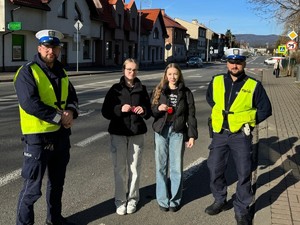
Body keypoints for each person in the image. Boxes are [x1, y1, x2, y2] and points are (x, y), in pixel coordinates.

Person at [14, 29, 79, 225]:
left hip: (60, 137)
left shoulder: (62, 71)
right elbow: (30, 103)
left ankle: (55, 219)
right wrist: (60, 118)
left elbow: (73, 98)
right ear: (39, 48)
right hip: (37, 139)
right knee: (32, 189)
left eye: (55, 47)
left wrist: (71, 112)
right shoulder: (27, 71)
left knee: (57, 184)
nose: (51, 51)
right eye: (47, 47)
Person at [205, 50, 272, 225]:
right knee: (214, 168)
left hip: (241, 136)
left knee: (243, 172)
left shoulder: (253, 85)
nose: (235, 65)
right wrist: (221, 116)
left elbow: (265, 109)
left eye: (239, 62)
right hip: (220, 133)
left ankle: (242, 209)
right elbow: (211, 99)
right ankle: (219, 199)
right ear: (227, 63)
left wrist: (248, 123)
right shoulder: (217, 81)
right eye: (232, 62)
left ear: (244, 64)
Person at [101, 58, 151, 215]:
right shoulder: (115, 89)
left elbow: (149, 111)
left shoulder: (141, 89)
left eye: (134, 70)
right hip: (118, 133)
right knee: (120, 168)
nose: (132, 72)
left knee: (135, 168)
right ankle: (120, 200)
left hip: (137, 133)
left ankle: (133, 199)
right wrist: (119, 109)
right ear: (123, 70)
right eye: (129, 69)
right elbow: (105, 111)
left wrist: (143, 110)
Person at [151, 63, 198, 212]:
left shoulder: (186, 92)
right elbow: (151, 110)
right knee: (161, 167)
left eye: (175, 74)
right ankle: (162, 199)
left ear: (179, 75)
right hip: (161, 131)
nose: (172, 77)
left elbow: (191, 114)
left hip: (177, 131)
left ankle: (175, 200)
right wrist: (158, 108)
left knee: (176, 167)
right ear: (165, 75)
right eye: (169, 74)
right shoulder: (159, 90)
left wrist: (191, 135)